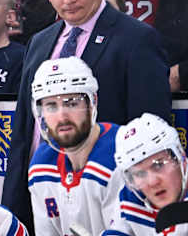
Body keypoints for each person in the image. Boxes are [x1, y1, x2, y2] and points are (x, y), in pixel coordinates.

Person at [2, 0, 171, 231]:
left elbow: (150, 129)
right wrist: (12, 203)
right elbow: (24, 133)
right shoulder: (39, 42)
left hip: (109, 200)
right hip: (40, 195)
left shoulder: (137, 40)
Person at [28, 57, 122, 235]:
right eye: (51, 106)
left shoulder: (122, 153)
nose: (62, 116)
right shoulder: (42, 164)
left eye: (71, 103)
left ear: (92, 102)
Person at [102, 113, 188, 235]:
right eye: (139, 173)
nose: (152, 182)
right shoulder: (130, 198)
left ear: (180, 157)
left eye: (159, 165)